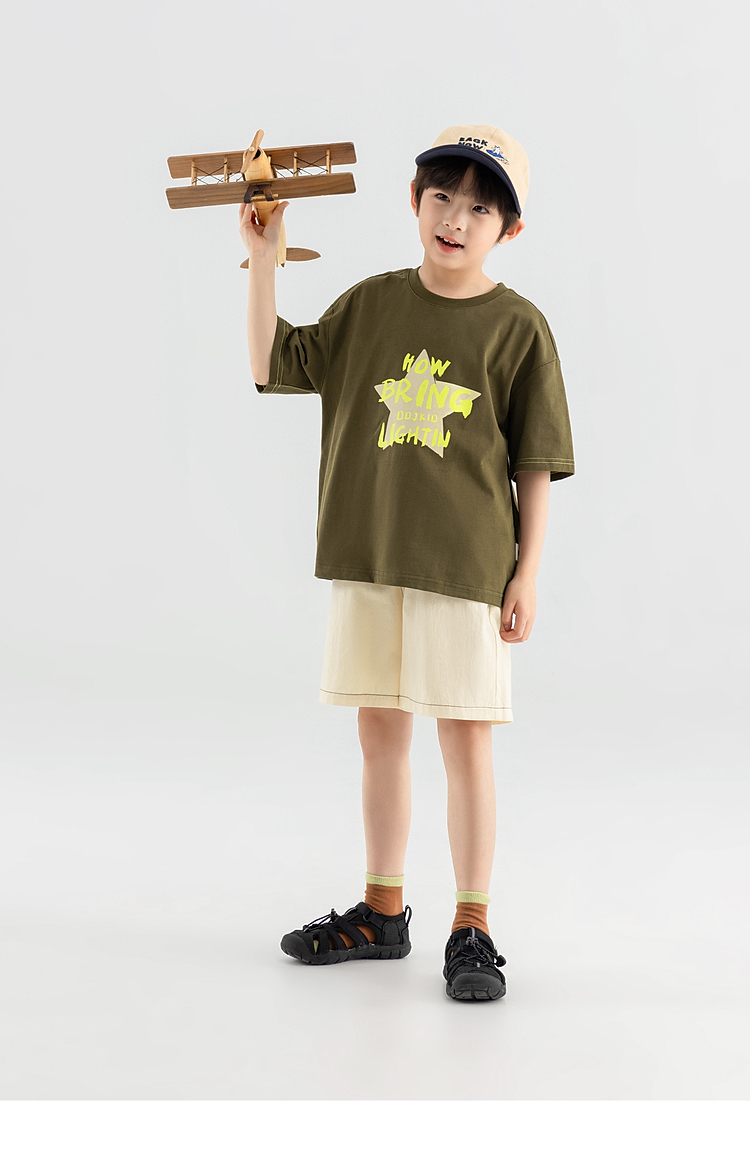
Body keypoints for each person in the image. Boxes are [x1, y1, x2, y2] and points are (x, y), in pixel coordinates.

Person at [240, 124, 575, 1002]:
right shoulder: (370, 305)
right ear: (415, 201)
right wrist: (264, 260)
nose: (455, 219)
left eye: (480, 208)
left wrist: (527, 571)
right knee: (379, 733)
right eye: (442, 197)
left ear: (510, 229)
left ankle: (473, 923)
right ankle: (382, 910)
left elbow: (535, 462)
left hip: (466, 568)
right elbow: (272, 363)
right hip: (371, 553)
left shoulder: (518, 328)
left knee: (466, 741)